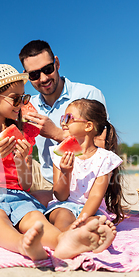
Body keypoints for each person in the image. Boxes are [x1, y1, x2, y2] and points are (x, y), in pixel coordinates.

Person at [0, 64, 114, 260]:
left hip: (17, 194)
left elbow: (26, 185)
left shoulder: (23, 131)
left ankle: (66, 241)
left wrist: (22, 162)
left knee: (35, 218)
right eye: (15, 99)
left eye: (24, 98)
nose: (20, 104)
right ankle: (22, 245)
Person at [18, 40, 106, 203]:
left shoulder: (88, 94)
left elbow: (101, 147)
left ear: (57, 63)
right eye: (34, 75)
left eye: (47, 69)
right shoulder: (29, 107)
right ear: (26, 76)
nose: (43, 78)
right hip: (48, 185)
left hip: (87, 185)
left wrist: (57, 134)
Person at [44, 99, 126, 251]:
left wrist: (82, 219)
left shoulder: (106, 159)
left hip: (92, 209)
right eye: (62, 118)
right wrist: (65, 173)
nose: (62, 122)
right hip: (64, 205)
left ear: (88, 126)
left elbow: (95, 196)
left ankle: (88, 237)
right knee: (62, 216)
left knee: (96, 221)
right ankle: (70, 237)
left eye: (68, 118)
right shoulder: (58, 154)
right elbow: (60, 196)